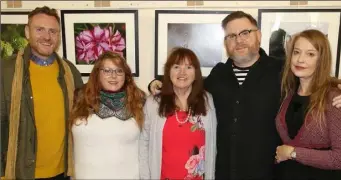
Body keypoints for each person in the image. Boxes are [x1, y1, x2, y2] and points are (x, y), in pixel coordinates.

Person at [148, 11, 341, 180]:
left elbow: (318, 83)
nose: (238, 40)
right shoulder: (218, 75)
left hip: (268, 174)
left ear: (258, 35)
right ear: (225, 42)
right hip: (222, 174)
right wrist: (156, 83)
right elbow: (187, 81)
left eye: (245, 33)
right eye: (231, 36)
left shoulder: (283, 71)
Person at [0, 6, 83, 180]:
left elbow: (89, 105)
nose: (47, 37)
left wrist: (153, 86)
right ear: (27, 32)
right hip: (20, 173)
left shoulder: (70, 72)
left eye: (53, 31)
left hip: (63, 172)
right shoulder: (5, 71)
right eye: (40, 30)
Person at [274, 29, 341, 180]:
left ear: (321, 60)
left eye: (310, 54)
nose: (300, 60)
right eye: (296, 52)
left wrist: (293, 153)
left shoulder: (335, 97)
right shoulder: (288, 93)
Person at [139, 47, 217, 179]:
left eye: (188, 67)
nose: (182, 72)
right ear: (168, 71)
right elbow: (144, 143)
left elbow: (212, 144)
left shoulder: (207, 100)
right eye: (176, 67)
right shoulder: (154, 103)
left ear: (196, 73)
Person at [69, 51, 146, 179]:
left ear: (126, 76)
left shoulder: (139, 101)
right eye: (107, 70)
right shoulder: (79, 97)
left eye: (119, 71)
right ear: (97, 74)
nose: (113, 76)